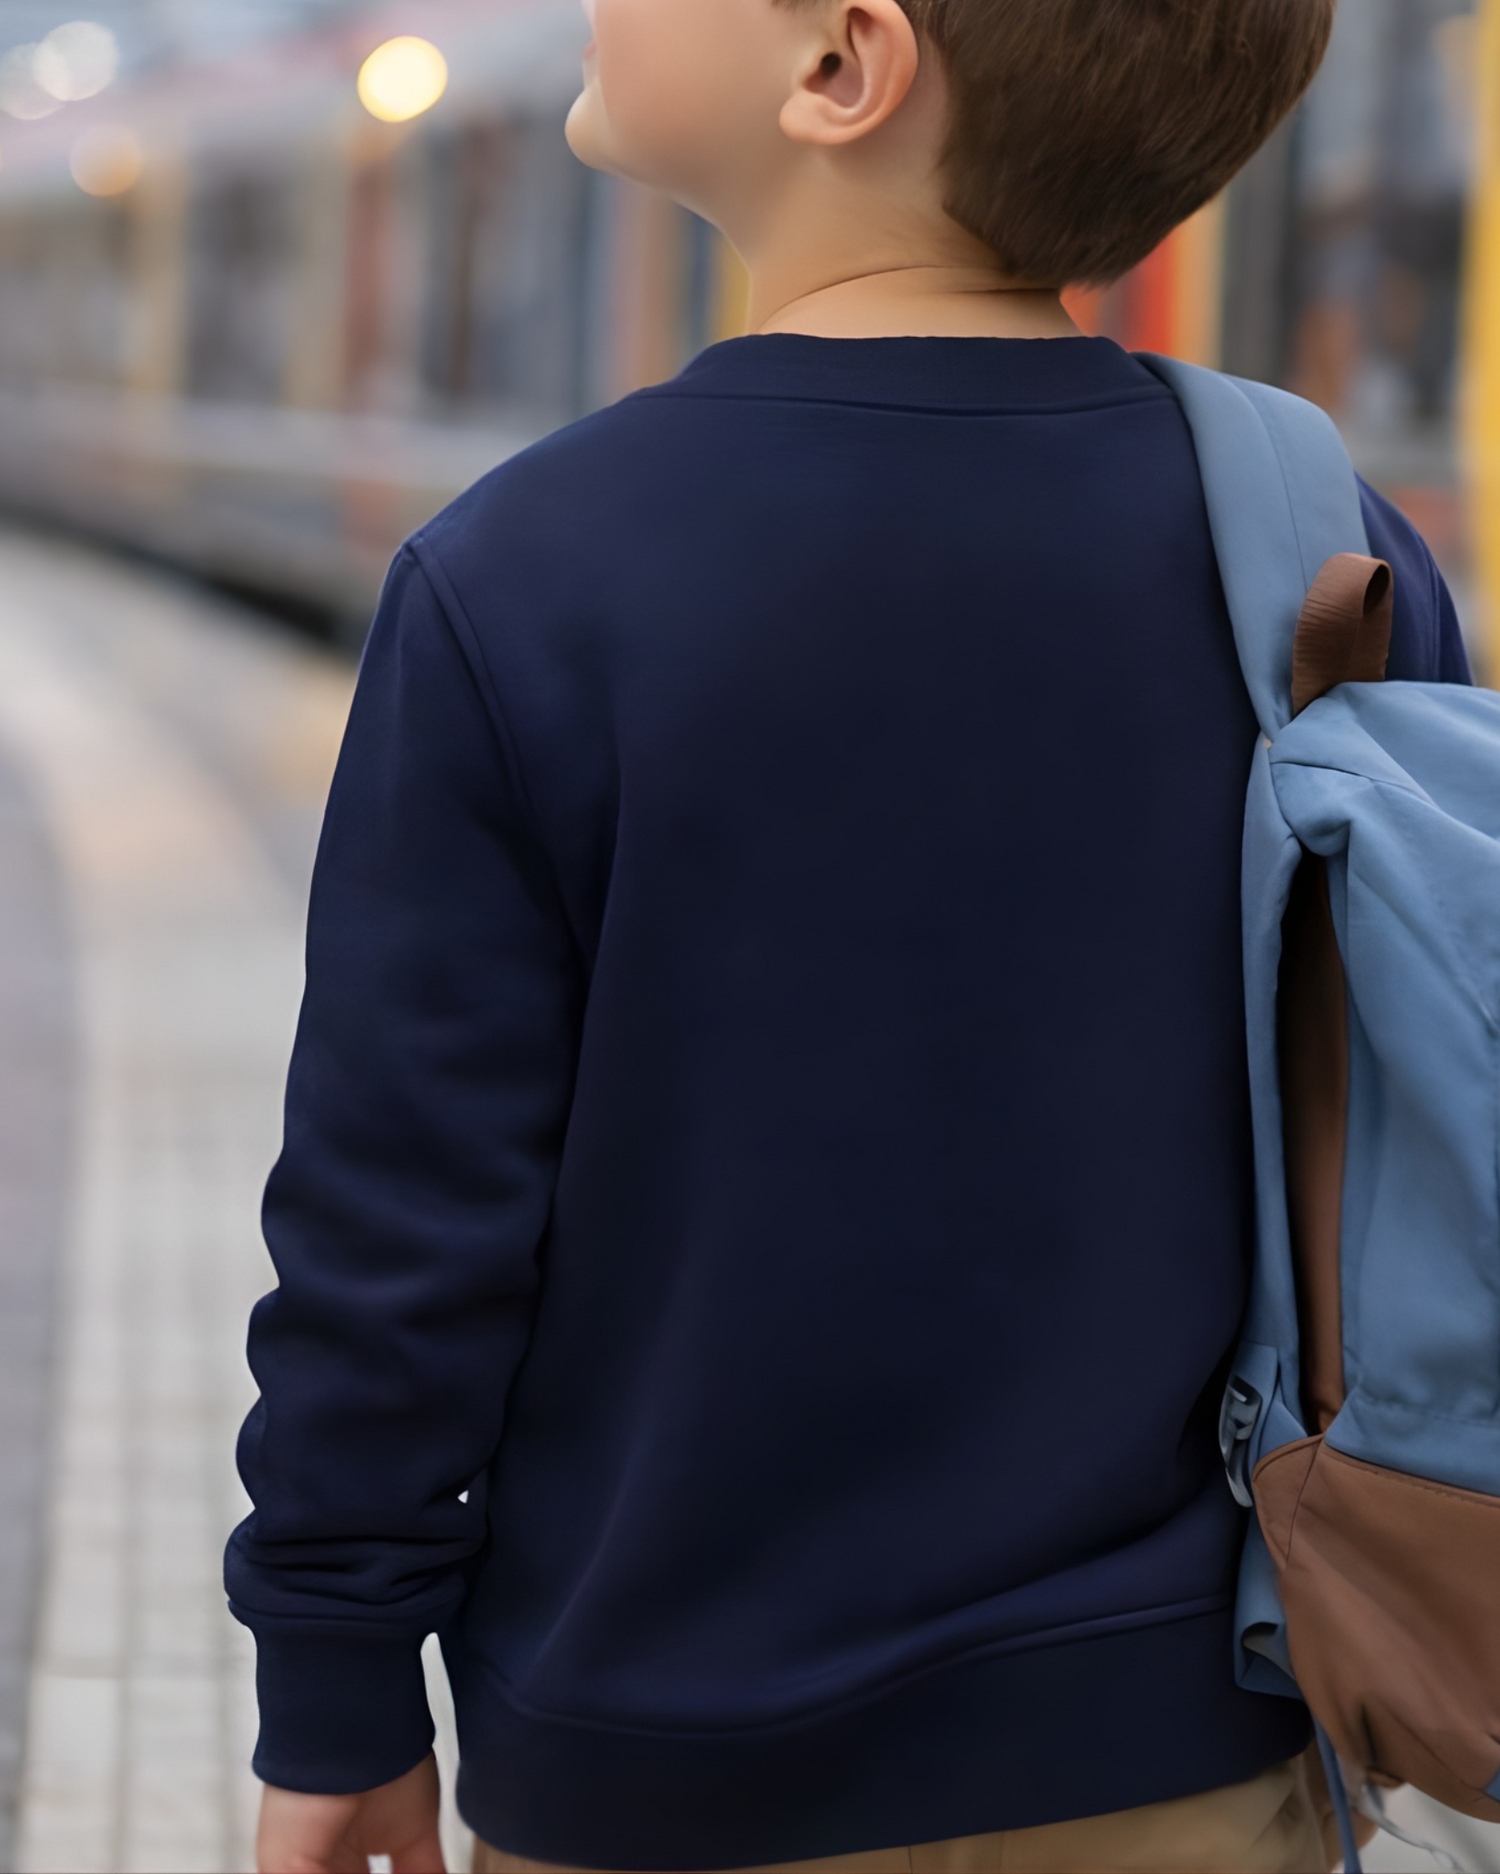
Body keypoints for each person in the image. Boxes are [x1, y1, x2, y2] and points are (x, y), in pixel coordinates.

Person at [227, 1, 1472, 1870]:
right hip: (1188, 1740)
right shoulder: (1319, 549)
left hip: (662, 1772)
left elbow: (399, 1230)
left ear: (841, 67)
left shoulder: (522, 578)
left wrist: (335, 1687)